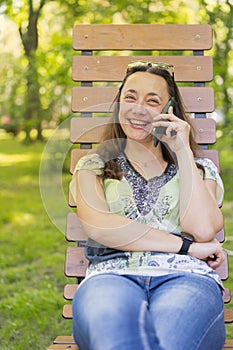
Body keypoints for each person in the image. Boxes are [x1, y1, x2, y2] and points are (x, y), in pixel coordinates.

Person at [70, 61, 226, 350]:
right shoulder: (94, 165)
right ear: (119, 105)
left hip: (187, 279)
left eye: (152, 101)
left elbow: (203, 229)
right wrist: (187, 247)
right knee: (118, 338)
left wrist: (181, 150)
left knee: (169, 342)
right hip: (110, 276)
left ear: (170, 111)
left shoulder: (200, 169)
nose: (139, 108)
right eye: (130, 97)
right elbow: (101, 226)